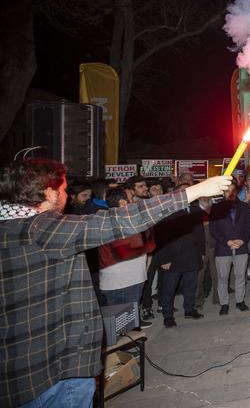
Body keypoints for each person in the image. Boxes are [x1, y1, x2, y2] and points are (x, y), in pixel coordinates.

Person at [0, 158, 230, 407]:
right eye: (64, 190)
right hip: (54, 372)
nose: (66, 196)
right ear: (49, 192)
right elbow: (119, 221)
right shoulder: (41, 229)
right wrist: (195, 191)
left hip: (15, 378)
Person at [97, 188, 157, 329]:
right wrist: (148, 248)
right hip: (123, 281)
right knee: (124, 328)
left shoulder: (116, 218)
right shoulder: (117, 221)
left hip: (127, 278)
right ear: (123, 202)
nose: (134, 201)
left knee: (124, 324)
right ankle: (125, 350)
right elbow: (124, 253)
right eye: (132, 198)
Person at [155, 184, 209, 327]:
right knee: (169, 289)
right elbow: (160, 237)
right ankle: (168, 315)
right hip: (172, 258)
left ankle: (189, 310)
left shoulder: (195, 210)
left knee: (190, 286)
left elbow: (200, 233)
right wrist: (164, 258)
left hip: (192, 255)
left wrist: (202, 253)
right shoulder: (167, 211)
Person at [210, 183, 250, 315]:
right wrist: (227, 241)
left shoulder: (244, 207)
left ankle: (240, 301)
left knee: (240, 276)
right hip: (223, 248)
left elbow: (249, 226)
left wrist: (242, 240)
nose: (230, 193)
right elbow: (213, 229)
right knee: (223, 278)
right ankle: (224, 304)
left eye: (233, 190)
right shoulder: (216, 208)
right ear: (223, 193)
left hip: (241, 247)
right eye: (227, 191)